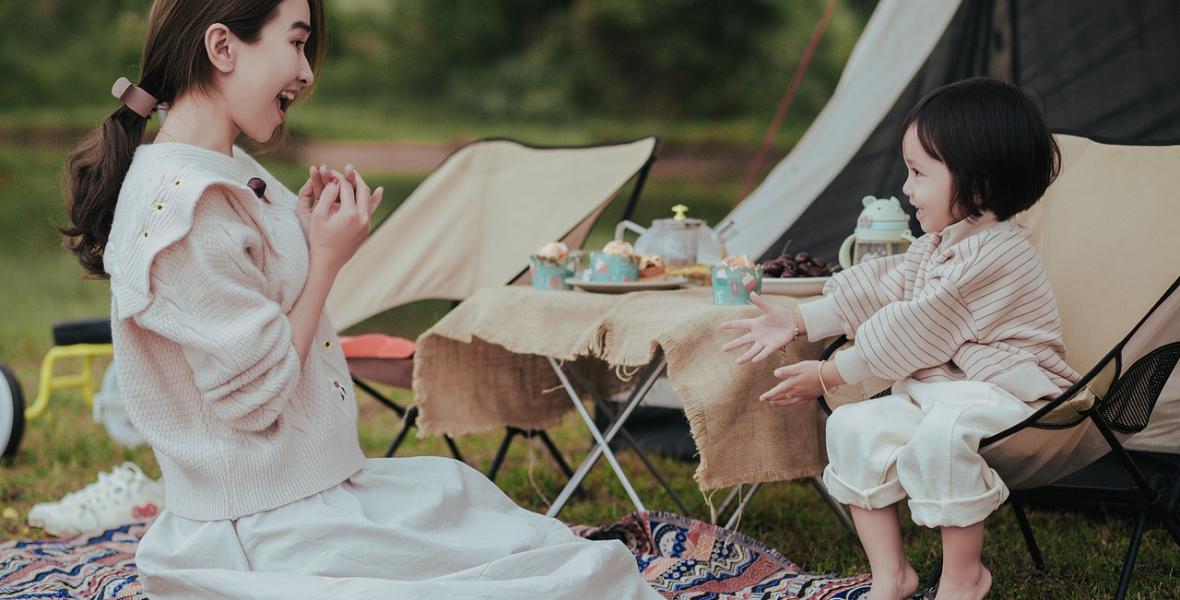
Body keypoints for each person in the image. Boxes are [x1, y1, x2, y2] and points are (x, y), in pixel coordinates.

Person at [60, 1, 661, 598]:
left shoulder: (224, 168)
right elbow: (253, 398)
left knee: (470, 502)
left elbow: (258, 299)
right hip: (261, 529)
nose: (307, 71)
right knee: (575, 580)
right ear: (222, 48)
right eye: (296, 43)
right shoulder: (185, 212)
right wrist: (324, 260)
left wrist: (299, 232)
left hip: (304, 493)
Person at [721, 77, 1079, 600]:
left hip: (1008, 388)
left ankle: (964, 577)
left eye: (917, 173)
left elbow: (917, 325)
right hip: (944, 387)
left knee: (942, 435)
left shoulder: (997, 253)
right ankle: (892, 576)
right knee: (853, 425)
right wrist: (801, 320)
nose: (907, 189)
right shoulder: (939, 243)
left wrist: (830, 373)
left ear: (976, 187)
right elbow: (883, 284)